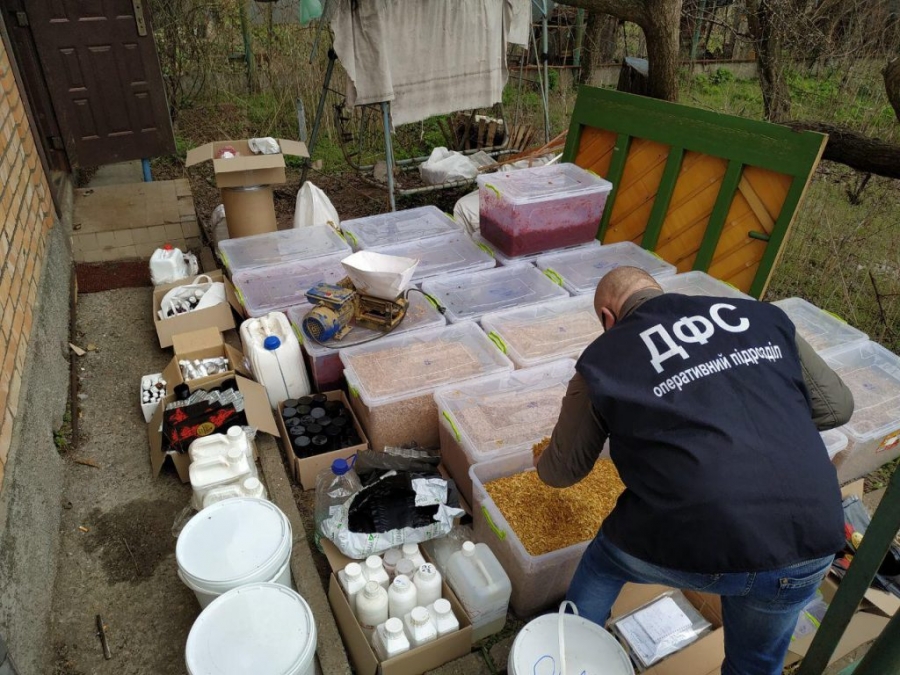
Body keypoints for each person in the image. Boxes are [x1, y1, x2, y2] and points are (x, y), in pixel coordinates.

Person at [536, 267, 854, 675]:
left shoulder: (603, 358)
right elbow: (837, 408)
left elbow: (561, 472)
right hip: (810, 535)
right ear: (659, 290)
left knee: (603, 564)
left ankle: (566, 657)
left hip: (696, 532)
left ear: (607, 317)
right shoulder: (761, 316)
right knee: (754, 666)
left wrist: (542, 460)